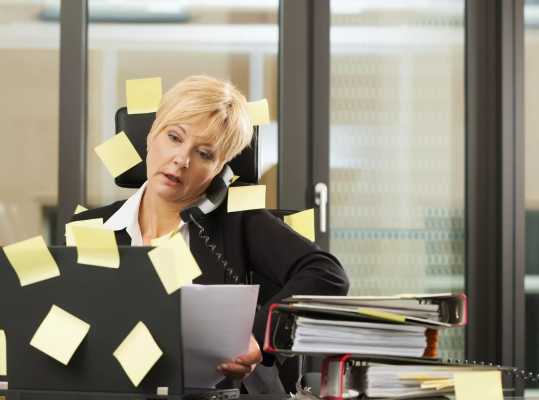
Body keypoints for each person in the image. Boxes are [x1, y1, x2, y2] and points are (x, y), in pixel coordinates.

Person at [72, 75, 350, 385]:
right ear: (151, 135)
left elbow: (328, 275)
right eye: (174, 137)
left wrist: (258, 335)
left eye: (204, 154)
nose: (181, 159)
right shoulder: (91, 228)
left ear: (220, 169)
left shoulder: (237, 220)